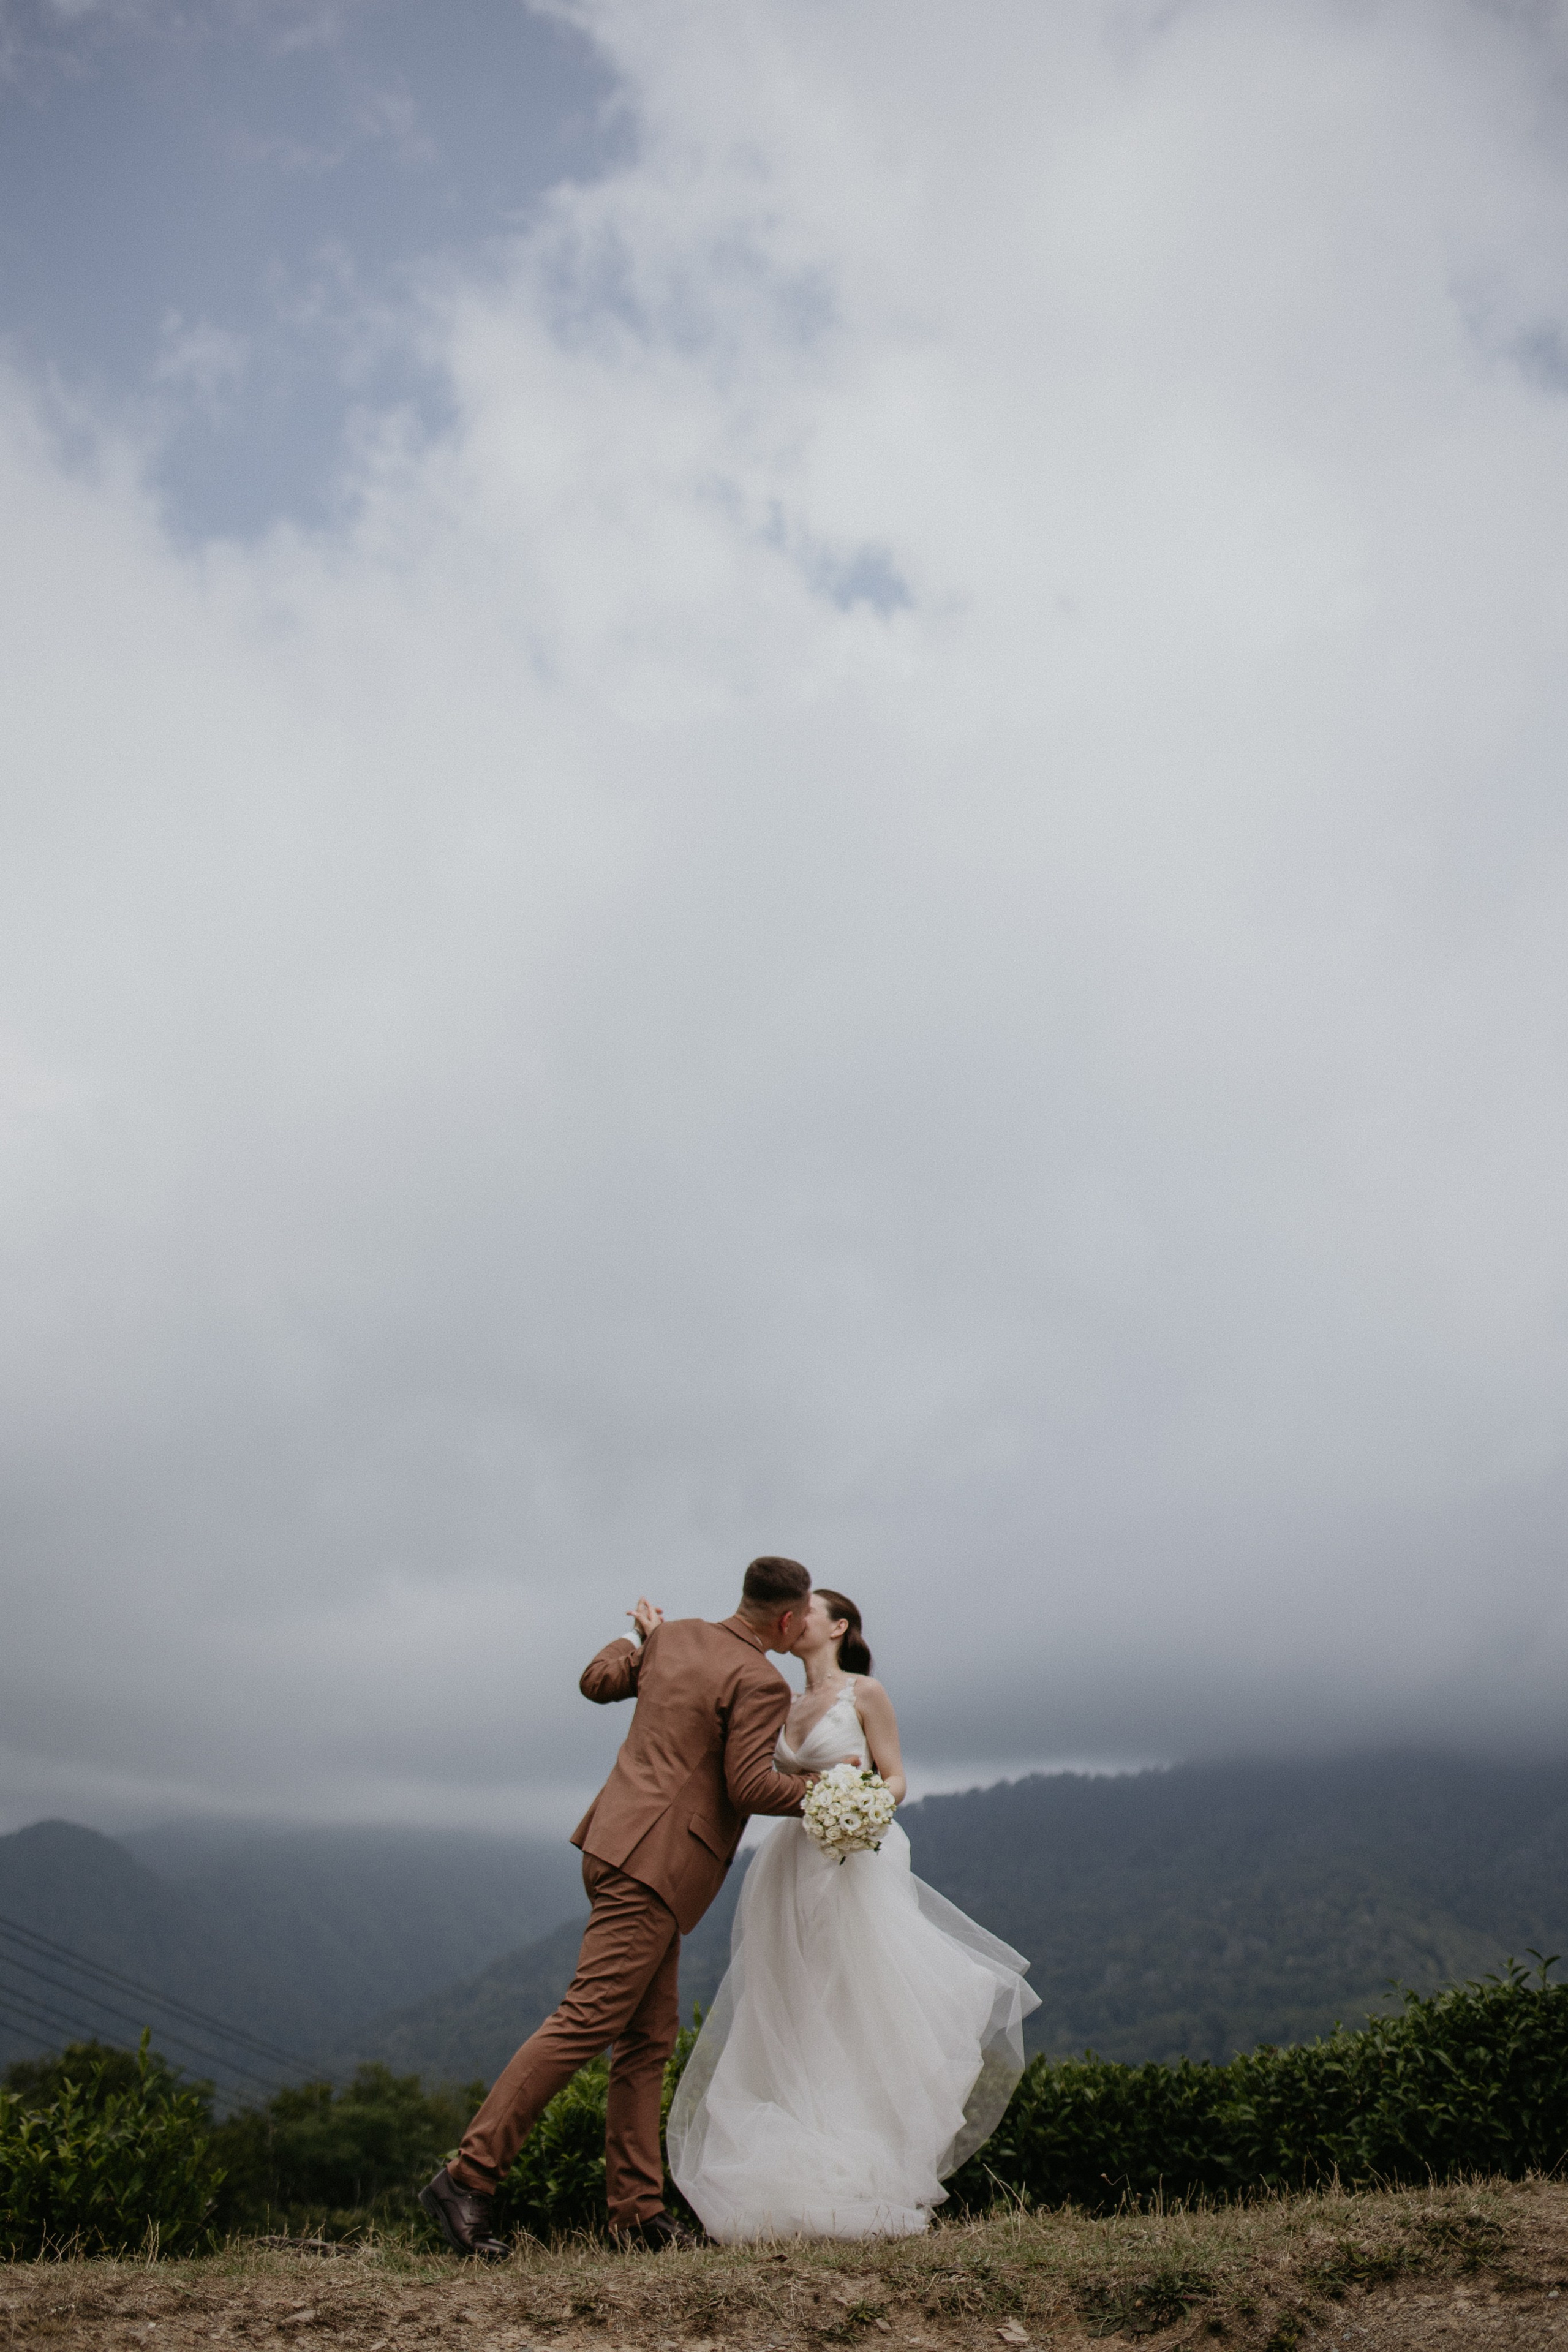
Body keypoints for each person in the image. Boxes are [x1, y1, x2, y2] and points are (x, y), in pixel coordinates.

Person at [420, 1555, 832, 2258]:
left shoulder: (673, 1640)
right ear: (790, 1621)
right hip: (657, 1864)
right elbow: (749, 1789)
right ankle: (467, 2177)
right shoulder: (761, 1680)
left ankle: (636, 2215)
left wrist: (640, 1640)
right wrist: (831, 1795)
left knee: (646, 2040)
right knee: (585, 2021)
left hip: (618, 1845)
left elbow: (595, 1683)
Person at [666, 1588, 1039, 2241]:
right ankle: (787, 2171)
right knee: (787, 2006)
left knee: (850, 2002)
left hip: (852, 1860)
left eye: (810, 1607)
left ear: (838, 1626)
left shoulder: (865, 1693)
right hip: (786, 1866)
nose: (797, 1614)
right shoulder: (776, 1697)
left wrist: (858, 1801)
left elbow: (895, 1777)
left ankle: (859, 2172)